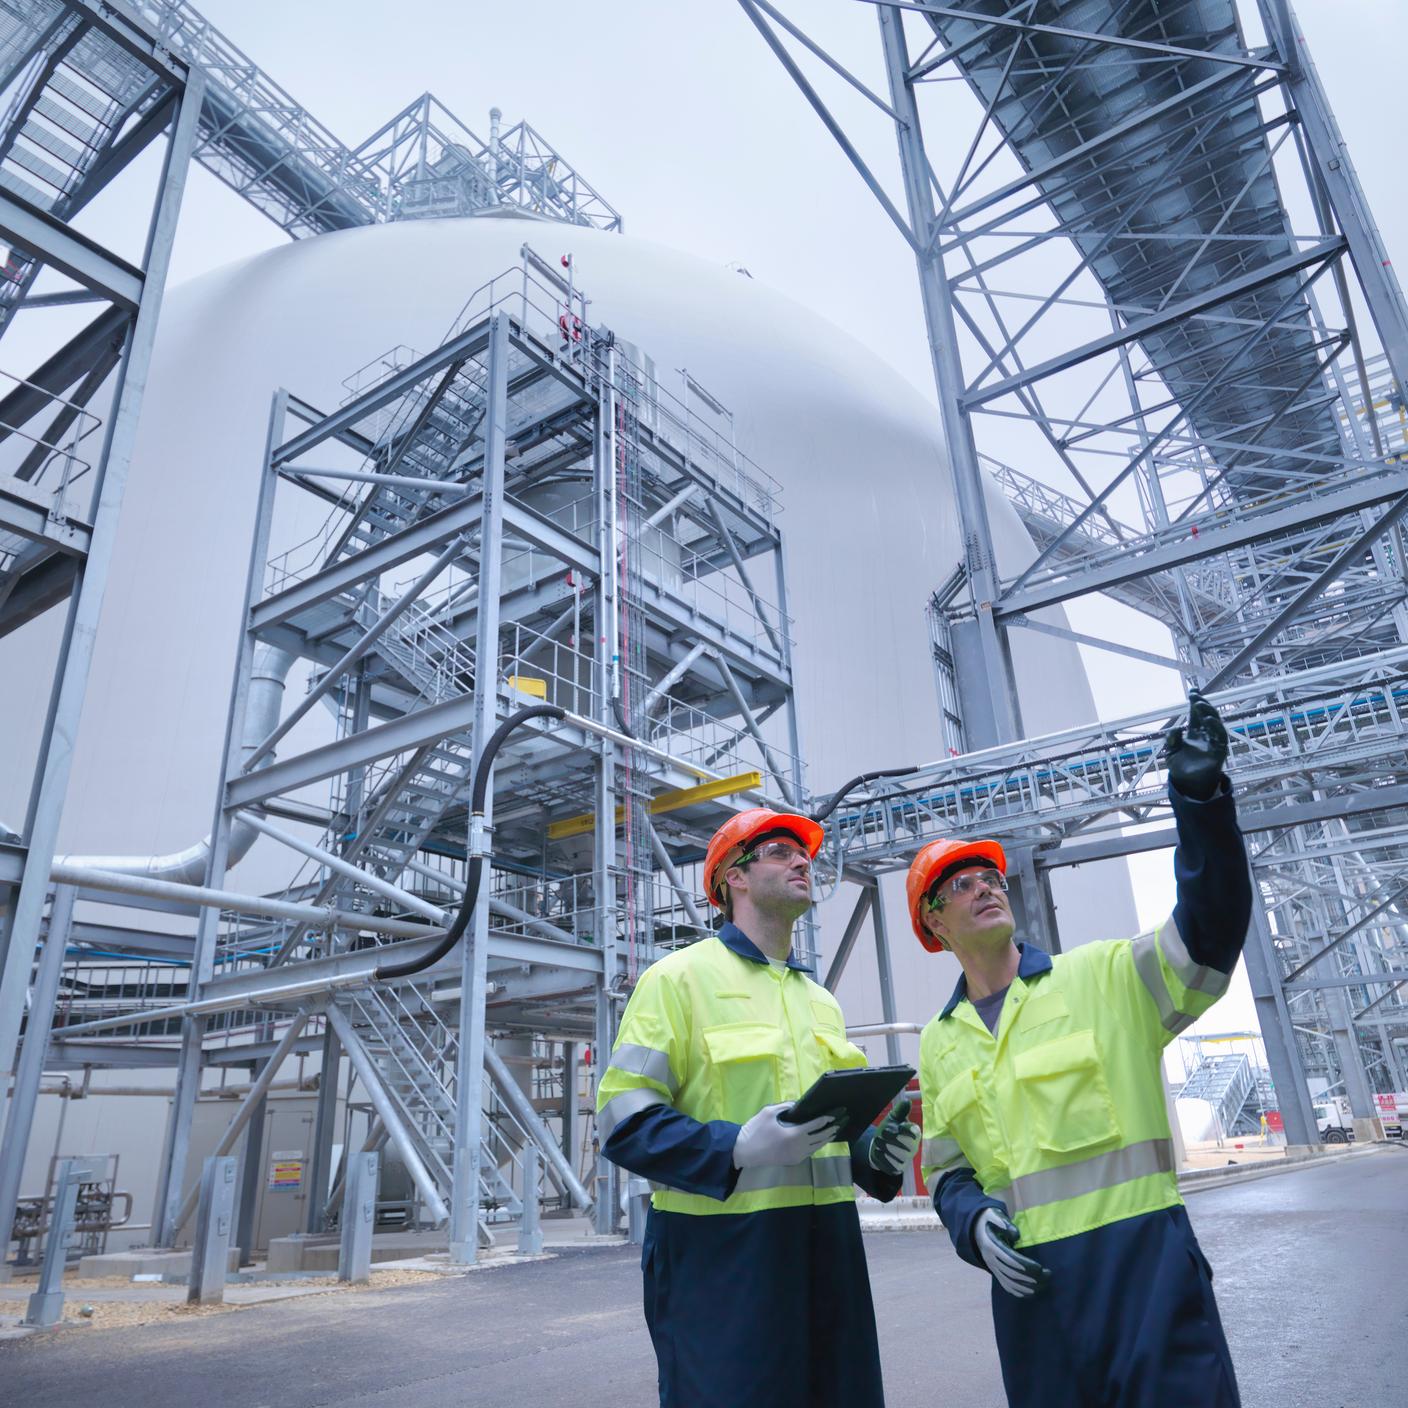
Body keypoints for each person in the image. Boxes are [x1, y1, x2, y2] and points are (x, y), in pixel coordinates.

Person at [912, 691, 1248, 1408]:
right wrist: (971, 1224)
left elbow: (1209, 934)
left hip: (1143, 1271)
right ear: (934, 926)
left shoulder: (1103, 977)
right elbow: (946, 1170)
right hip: (1032, 1298)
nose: (984, 889)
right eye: (960, 886)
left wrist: (1202, 806)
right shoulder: (940, 1044)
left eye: (990, 878)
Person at [597, 807, 918, 1408]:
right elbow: (622, 1119)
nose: (803, 861)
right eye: (780, 852)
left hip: (830, 1257)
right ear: (733, 879)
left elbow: (834, 1136)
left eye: (806, 855)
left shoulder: (819, 1001)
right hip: (725, 1262)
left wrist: (875, 1154)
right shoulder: (677, 980)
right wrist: (735, 1148)